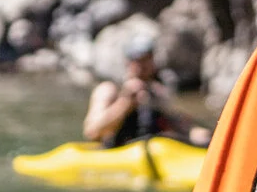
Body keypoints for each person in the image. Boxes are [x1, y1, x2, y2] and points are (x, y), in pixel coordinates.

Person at [83, 38, 212, 148]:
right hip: (118, 150)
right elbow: (92, 132)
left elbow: (178, 124)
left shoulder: (158, 91)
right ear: (128, 61)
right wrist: (125, 104)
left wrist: (199, 134)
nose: (142, 65)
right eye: (138, 59)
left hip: (154, 149)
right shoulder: (109, 90)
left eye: (147, 58)